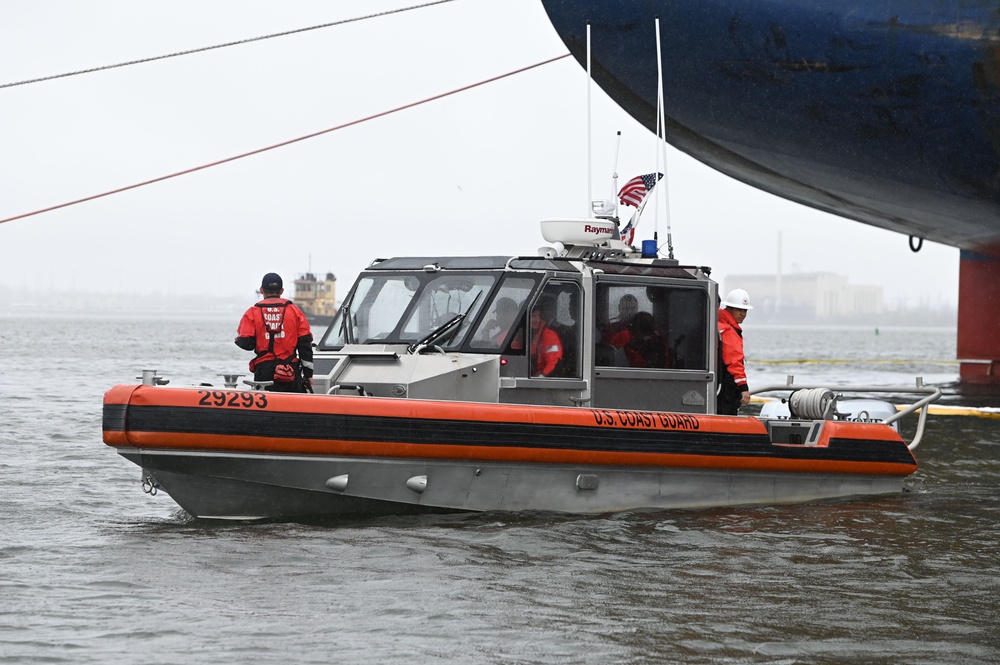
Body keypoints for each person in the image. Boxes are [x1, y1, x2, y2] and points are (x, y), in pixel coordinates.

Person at [235, 272, 314, 392]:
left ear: (262, 290)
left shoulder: (252, 312)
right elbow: (305, 345)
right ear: (281, 291)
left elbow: (245, 342)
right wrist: (308, 375)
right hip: (290, 372)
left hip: (264, 372)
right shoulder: (294, 311)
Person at [717, 288, 752, 415]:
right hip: (727, 386)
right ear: (729, 308)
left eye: (745, 310)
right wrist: (744, 388)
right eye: (739, 310)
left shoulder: (716, 323)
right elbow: (734, 361)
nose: (742, 313)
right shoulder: (728, 330)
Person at [529, 297, 562, 377]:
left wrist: (542, 377)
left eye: (538, 316)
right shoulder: (523, 334)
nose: (537, 320)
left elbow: (553, 362)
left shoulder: (549, 336)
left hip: (541, 380)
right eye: (533, 316)